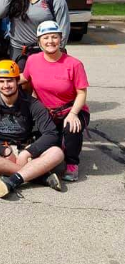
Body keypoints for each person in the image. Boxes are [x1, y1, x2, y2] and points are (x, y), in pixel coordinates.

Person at [0, 60, 64, 198]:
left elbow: (51, 133)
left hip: (24, 149)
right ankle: (38, 176)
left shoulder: (32, 103)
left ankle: (12, 180)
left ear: (17, 81)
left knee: (57, 153)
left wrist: (28, 152)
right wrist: (3, 150)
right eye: (1, 81)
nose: (6, 85)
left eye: (10, 81)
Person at [22, 21, 90, 182]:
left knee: (71, 127)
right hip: (47, 112)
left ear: (61, 39)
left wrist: (73, 114)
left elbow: (82, 93)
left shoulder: (74, 64)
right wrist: (0, 78)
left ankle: (72, 163)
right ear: (39, 42)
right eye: (45, 37)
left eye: (54, 37)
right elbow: (24, 78)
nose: (50, 41)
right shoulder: (32, 60)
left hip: (72, 109)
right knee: (46, 140)